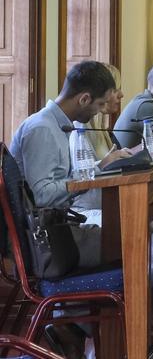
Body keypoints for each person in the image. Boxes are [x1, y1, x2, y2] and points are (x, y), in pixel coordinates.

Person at [9, 60, 117, 269]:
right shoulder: (42, 129)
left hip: (58, 225)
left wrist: (95, 172)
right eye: (101, 104)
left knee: (130, 229)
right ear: (84, 99)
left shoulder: (57, 125)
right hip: (48, 242)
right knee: (130, 239)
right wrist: (83, 181)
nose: (102, 111)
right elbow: (42, 195)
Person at [68, 63, 133, 226]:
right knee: (130, 222)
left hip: (104, 204)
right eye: (117, 89)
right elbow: (79, 177)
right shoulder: (80, 127)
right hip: (84, 210)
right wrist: (107, 161)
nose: (122, 95)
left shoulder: (100, 126)